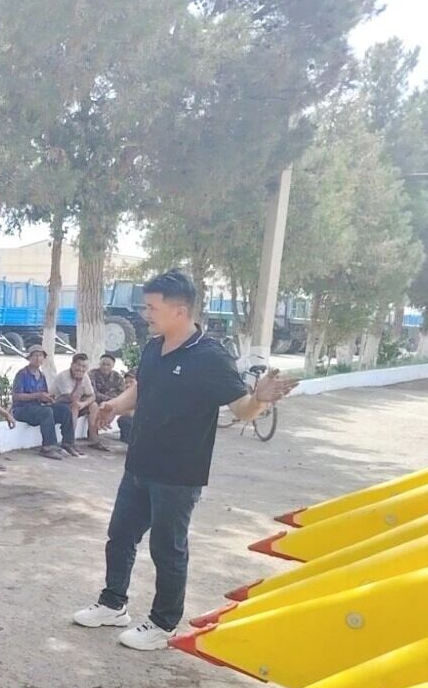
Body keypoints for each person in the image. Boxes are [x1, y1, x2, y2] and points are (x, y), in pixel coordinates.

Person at [73, 269, 297, 651]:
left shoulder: (210, 357)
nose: (145, 314)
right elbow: (142, 388)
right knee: (120, 537)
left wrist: (260, 398)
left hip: (178, 474)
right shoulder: (153, 347)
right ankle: (113, 604)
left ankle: (163, 623)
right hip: (139, 464)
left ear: (179, 311)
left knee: (167, 548)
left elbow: (242, 409)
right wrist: (115, 405)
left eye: (151, 307)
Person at [12, 344, 78, 459]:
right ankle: (48, 447)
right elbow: (16, 396)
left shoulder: (41, 376)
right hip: (22, 409)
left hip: (38, 407)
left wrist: (49, 398)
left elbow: (44, 395)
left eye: (40, 356)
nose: (38, 358)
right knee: (46, 412)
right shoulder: (22, 374)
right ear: (29, 358)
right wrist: (37, 395)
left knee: (65, 410)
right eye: (35, 355)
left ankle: (68, 443)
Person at [53, 353, 104, 452]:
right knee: (75, 406)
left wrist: (83, 404)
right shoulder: (63, 376)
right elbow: (72, 398)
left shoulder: (85, 376)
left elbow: (92, 396)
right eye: (78, 365)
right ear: (72, 365)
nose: (81, 369)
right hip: (59, 404)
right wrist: (79, 381)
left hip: (76, 403)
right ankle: (70, 441)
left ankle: (94, 439)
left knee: (94, 405)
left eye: (84, 366)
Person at [91, 354, 129, 445]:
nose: (105, 367)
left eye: (108, 365)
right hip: (95, 401)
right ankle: (93, 436)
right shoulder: (92, 374)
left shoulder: (117, 377)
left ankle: (124, 434)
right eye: (103, 364)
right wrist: (109, 399)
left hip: (111, 403)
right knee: (98, 406)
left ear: (112, 366)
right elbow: (93, 392)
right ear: (99, 364)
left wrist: (111, 401)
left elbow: (122, 393)